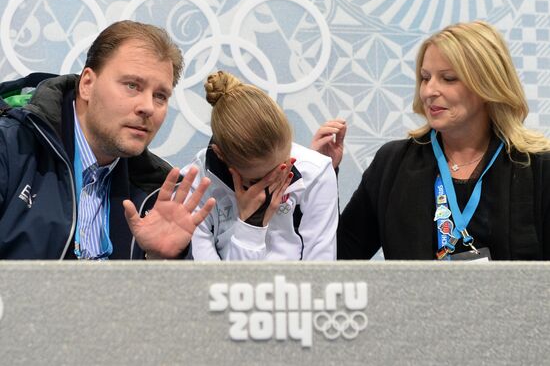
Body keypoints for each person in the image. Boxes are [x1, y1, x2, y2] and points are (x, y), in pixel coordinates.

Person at [336, 20, 550, 260]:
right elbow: (340, 256)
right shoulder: (392, 163)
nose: (429, 91)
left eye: (448, 78)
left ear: (487, 84)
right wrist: (322, 175)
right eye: (425, 78)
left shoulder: (537, 166)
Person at [0, 20, 215, 259]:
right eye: (132, 85)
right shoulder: (9, 146)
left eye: (160, 96)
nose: (147, 107)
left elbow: (161, 295)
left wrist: (159, 261)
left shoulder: (156, 192)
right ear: (87, 84)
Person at [180, 71, 338, 260]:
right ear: (221, 155)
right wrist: (250, 227)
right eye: (258, 180)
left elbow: (321, 277)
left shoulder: (316, 173)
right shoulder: (195, 183)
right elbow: (212, 286)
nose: (277, 180)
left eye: (283, 165)